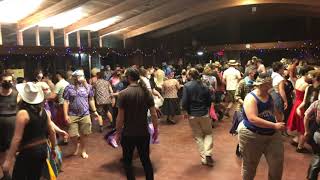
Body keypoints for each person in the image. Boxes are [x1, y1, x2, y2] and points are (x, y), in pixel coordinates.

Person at [2, 82, 56, 180]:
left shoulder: (23, 113)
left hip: (29, 151)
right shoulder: (43, 111)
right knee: (34, 177)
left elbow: (17, 138)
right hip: (43, 149)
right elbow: (52, 131)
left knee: (18, 177)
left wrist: (8, 160)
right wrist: (53, 148)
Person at [238, 73, 285, 180]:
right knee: (250, 165)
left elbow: (278, 114)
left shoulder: (271, 96)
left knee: (277, 164)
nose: (270, 87)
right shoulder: (251, 98)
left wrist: (277, 107)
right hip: (252, 135)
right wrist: (274, 125)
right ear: (260, 85)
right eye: (268, 85)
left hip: (272, 135)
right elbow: (252, 118)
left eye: (271, 84)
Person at [115, 68, 158, 180]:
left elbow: (120, 118)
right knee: (146, 161)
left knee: (128, 162)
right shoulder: (146, 93)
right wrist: (156, 130)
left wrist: (118, 133)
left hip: (128, 133)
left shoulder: (123, 94)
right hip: (143, 132)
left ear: (128, 78)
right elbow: (154, 114)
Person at [63, 70, 99, 159]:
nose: (81, 78)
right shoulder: (69, 88)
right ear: (74, 78)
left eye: (82, 76)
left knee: (85, 134)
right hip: (72, 114)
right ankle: (76, 145)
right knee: (72, 135)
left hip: (85, 114)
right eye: (79, 76)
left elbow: (91, 99)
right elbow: (66, 101)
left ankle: (83, 150)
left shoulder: (88, 87)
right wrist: (65, 115)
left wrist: (94, 111)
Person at [182, 68, 214, 167]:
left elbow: (184, 101)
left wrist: (185, 111)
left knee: (198, 136)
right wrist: (208, 109)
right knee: (208, 133)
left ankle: (204, 158)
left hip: (192, 114)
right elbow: (209, 100)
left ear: (190, 76)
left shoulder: (187, 86)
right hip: (204, 113)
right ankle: (208, 153)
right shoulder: (204, 85)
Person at [231, 66, 256, 157]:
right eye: (254, 71)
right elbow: (236, 96)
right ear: (250, 72)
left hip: (252, 110)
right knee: (242, 130)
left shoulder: (255, 83)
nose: (256, 73)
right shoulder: (242, 82)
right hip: (242, 110)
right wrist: (245, 103)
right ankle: (240, 148)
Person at [0, 72, 18, 176]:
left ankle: (17, 174)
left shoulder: (16, 94)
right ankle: (6, 175)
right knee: (2, 154)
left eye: (10, 81)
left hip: (14, 128)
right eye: (5, 81)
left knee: (15, 152)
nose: (8, 83)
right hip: (0, 129)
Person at [304, 99, 320, 180]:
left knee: (317, 155)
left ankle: (311, 177)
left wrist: (306, 131)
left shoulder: (317, 103)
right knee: (318, 156)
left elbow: (306, 115)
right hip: (317, 133)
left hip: (315, 131)